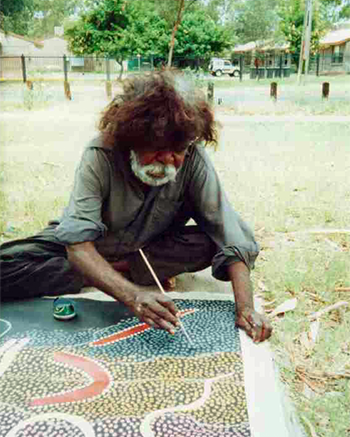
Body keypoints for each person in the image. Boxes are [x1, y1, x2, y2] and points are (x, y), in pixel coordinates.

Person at [0, 71, 272, 342]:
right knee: (6, 268)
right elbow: (78, 246)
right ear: (131, 138)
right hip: (92, 245)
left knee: (211, 243)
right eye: (156, 147)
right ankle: (99, 273)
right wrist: (134, 296)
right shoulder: (101, 155)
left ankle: (106, 272)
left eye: (177, 150)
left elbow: (229, 232)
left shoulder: (193, 158)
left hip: (148, 248)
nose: (167, 160)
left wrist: (246, 308)